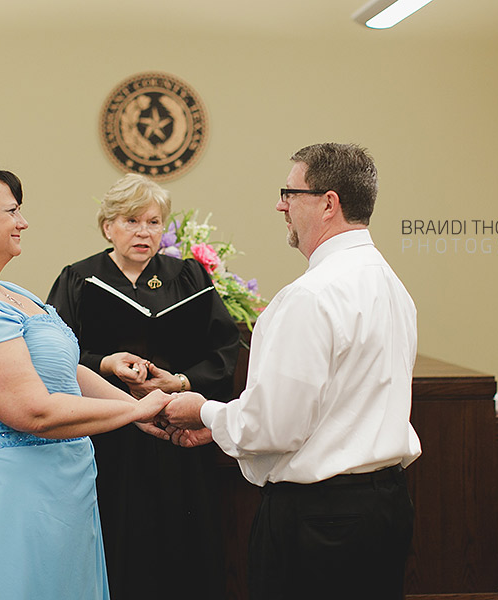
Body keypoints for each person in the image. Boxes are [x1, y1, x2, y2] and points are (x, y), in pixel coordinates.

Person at [164, 143, 422, 600]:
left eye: (290, 192)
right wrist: (227, 424)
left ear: (329, 203)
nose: (280, 205)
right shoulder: (389, 283)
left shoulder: (311, 296)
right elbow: (333, 405)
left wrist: (204, 413)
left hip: (321, 521)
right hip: (384, 506)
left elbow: (275, 427)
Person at [0, 158, 172, 600]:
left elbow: (63, 372)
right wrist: (136, 409)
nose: (24, 222)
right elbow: (32, 409)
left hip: (64, 488)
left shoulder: (13, 293)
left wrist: (141, 412)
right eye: (11, 211)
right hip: (11, 496)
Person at [46, 173, 240, 600]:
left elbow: (226, 347)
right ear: (108, 226)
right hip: (110, 434)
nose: (144, 232)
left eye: (154, 222)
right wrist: (105, 362)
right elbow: (53, 354)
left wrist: (182, 380)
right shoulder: (79, 280)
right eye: (132, 221)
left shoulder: (188, 277)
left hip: (178, 428)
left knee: (182, 542)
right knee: (121, 537)